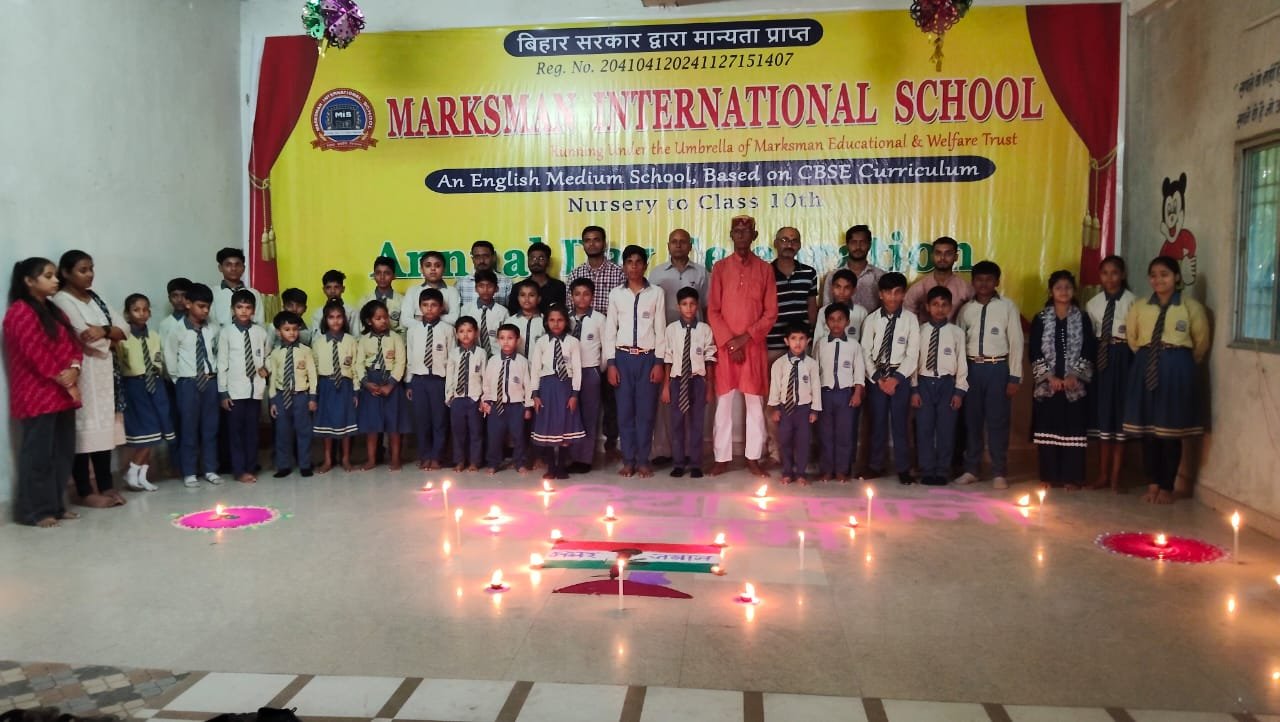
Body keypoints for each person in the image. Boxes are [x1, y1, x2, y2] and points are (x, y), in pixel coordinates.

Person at [1122, 256, 1210, 505]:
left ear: (1177, 277)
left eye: (1164, 274)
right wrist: (1150, 357)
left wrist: (1178, 362)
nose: (1158, 280)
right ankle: (1152, 482)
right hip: (1145, 366)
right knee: (1148, 432)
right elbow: (1133, 339)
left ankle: (1167, 486)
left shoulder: (1190, 307)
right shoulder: (1140, 306)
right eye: (1153, 275)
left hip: (1176, 370)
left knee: (1169, 432)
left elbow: (1201, 343)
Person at [6, 258, 82, 527]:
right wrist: (64, 377)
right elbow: (33, 352)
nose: (55, 280)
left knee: (62, 453)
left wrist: (75, 367)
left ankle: (55, 506)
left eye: (55, 275)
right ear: (29, 281)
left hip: (63, 394)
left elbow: (74, 344)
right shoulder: (19, 312)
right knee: (38, 455)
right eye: (48, 276)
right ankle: (34, 512)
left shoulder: (54, 310)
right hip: (36, 395)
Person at [52, 250, 126, 507]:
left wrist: (104, 330)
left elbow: (124, 328)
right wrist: (110, 338)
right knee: (83, 433)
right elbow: (84, 336)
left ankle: (106, 485)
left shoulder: (96, 298)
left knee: (104, 431)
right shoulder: (61, 300)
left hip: (105, 374)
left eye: (91, 268)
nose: (90, 274)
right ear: (66, 273)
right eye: (83, 270)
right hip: (82, 372)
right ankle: (84, 491)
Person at [707, 215, 778, 477]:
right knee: (723, 404)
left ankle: (753, 458)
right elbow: (713, 310)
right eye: (736, 231)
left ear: (754, 236)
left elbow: (771, 312)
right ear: (731, 235)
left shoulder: (765, 269)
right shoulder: (720, 268)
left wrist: (745, 338)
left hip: (753, 346)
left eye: (746, 232)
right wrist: (730, 342)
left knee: (755, 404)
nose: (741, 236)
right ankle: (721, 458)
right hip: (726, 347)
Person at [955, 261, 1023, 489]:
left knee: (997, 421)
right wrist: (960, 376)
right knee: (972, 421)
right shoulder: (966, 309)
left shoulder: (1007, 307)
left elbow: (1016, 342)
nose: (983, 284)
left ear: (997, 282)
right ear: (973, 282)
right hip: (972, 369)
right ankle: (971, 469)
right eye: (979, 279)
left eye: (989, 279)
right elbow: (958, 343)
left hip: (997, 369)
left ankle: (999, 471)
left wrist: (1014, 377)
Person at [604, 245, 668, 478]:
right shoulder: (616, 294)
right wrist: (611, 364)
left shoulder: (656, 293)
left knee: (646, 413)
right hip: (622, 358)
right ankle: (628, 460)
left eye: (638, 262)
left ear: (645, 265)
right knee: (625, 412)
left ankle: (643, 460)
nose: (634, 266)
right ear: (623, 266)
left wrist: (659, 362)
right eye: (629, 262)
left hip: (647, 358)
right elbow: (610, 331)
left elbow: (660, 329)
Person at [1030, 271, 1095, 489]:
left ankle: (1072, 478)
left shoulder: (1082, 318)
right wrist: (1049, 377)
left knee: (1073, 431)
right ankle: (1049, 477)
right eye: (1059, 287)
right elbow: (1034, 350)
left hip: (1073, 385)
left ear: (1074, 291)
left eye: (1068, 287)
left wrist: (1074, 375)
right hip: (1048, 385)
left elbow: (1089, 348)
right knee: (1048, 430)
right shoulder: (1041, 318)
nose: (1063, 291)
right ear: (1051, 291)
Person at [565, 225, 625, 457]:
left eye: (596, 239)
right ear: (582, 244)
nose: (592, 244)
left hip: (611, 342)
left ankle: (610, 444)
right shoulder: (575, 274)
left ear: (604, 243)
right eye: (587, 240)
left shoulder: (618, 273)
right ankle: (576, 447)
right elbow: (569, 311)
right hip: (582, 346)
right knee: (579, 400)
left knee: (610, 399)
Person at [765, 226, 819, 465]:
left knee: (803, 401)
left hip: (800, 347)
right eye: (784, 240)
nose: (789, 244)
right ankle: (776, 452)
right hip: (772, 346)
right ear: (776, 243)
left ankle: (801, 453)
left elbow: (811, 308)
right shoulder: (765, 272)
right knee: (774, 401)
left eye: (794, 240)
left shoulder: (809, 273)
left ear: (799, 244)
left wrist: (810, 340)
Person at [861, 272, 919, 483]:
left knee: (900, 424)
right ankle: (875, 465)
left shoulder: (911, 320)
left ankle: (903, 468)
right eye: (888, 292)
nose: (892, 297)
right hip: (877, 378)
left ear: (903, 294)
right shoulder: (872, 319)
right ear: (880, 294)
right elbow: (865, 351)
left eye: (897, 292)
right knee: (877, 423)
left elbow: (913, 354)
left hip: (900, 378)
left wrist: (896, 379)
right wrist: (878, 378)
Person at [1085, 255, 1137, 492]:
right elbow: (1091, 336)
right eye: (1105, 273)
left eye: (1114, 273)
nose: (1109, 278)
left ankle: (1116, 476)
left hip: (1124, 357)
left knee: (1120, 417)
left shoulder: (1134, 303)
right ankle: (1102, 474)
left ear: (1123, 275)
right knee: (1104, 416)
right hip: (1102, 360)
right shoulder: (1093, 304)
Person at [164, 282, 222, 488]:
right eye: (201, 306)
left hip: (210, 381)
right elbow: (170, 357)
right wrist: (179, 380)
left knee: (210, 427)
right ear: (188, 304)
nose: (205, 311)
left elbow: (217, 353)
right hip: (187, 383)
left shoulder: (212, 329)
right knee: (189, 428)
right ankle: (189, 471)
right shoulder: (177, 330)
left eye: (208, 307)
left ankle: (210, 469)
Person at [117, 293, 175, 492]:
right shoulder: (122, 338)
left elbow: (159, 361)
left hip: (155, 385)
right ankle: (132, 471)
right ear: (127, 313)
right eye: (136, 310)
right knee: (147, 432)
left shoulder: (154, 336)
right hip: (135, 386)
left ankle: (142, 476)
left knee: (156, 431)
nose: (141, 314)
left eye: (145, 310)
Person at [912, 287, 968, 486]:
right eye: (935, 304)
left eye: (944, 305)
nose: (939, 309)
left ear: (950, 307)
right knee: (924, 428)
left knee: (946, 429)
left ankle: (943, 470)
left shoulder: (957, 333)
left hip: (947, 384)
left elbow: (962, 362)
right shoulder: (919, 331)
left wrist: (959, 391)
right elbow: (913, 361)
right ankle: (927, 470)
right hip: (924, 383)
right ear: (927, 307)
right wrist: (914, 389)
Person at [662, 286, 716, 478]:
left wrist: (709, 386)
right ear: (678, 306)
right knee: (676, 424)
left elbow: (710, 358)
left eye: (692, 304)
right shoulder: (671, 330)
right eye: (684, 304)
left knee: (697, 424)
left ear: (697, 306)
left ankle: (695, 464)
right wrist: (666, 386)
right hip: (677, 382)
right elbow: (668, 358)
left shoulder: (705, 330)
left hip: (697, 381)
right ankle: (678, 463)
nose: (689, 308)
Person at [217, 289, 269, 483]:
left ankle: (251, 467)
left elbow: (267, 355)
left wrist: (266, 368)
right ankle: (239, 470)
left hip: (254, 389)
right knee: (235, 433)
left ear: (253, 310)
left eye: (248, 307)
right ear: (233, 309)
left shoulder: (260, 332)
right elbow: (222, 364)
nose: (244, 311)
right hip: (234, 391)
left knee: (252, 431)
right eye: (239, 307)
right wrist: (223, 392)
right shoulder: (226, 333)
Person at [530, 305, 586, 479]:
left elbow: (577, 370)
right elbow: (535, 369)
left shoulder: (573, 342)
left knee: (565, 426)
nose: (556, 324)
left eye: (560, 320)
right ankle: (551, 467)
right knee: (548, 427)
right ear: (546, 322)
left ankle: (561, 466)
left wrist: (574, 395)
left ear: (566, 322)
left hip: (565, 388)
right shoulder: (541, 342)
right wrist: (535, 394)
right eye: (552, 320)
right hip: (547, 388)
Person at [815, 303, 865, 482]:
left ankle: (842, 469)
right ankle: (827, 469)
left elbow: (859, 372)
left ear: (847, 322)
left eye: (840, 319)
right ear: (826, 322)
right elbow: (815, 370)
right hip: (825, 394)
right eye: (832, 319)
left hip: (845, 395)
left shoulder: (854, 345)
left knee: (844, 434)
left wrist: (857, 393)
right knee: (825, 433)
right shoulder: (821, 344)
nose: (836, 323)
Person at [355, 300, 406, 471]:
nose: (383, 321)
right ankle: (371, 459)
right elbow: (358, 363)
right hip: (371, 382)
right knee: (372, 425)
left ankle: (395, 458)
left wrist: (390, 384)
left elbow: (400, 362)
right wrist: (366, 383)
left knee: (394, 425)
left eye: (385, 317)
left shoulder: (395, 338)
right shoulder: (363, 340)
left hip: (392, 383)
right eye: (378, 318)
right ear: (369, 321)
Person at [768, 322, 822, 485]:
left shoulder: (812, 364)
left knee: (803, 442)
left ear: (808, 341)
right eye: (793, 338)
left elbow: (816, 388)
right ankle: (787, 471)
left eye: (801, 338)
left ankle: (801, 473)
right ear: (786, 341)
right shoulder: (779, 364)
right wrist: (775, 408)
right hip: (786, 409)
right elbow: (775, 387)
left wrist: (814, 410)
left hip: (804, 410)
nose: (797, 343)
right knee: (785, 440)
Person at [405, 288, 453, 470]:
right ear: (420, 307)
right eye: (425, 305)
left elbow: (452, 359)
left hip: (439, 381)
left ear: (441, 308)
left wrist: (450, 385)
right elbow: (410, 357)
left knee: (439, 420)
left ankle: (437, 456)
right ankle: (425, 455)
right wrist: (409, 383)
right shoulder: (413, 331)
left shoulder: (448, 330)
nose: (429, 309)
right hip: (419, 380)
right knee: (422, 421)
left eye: (434, 305)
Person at [267, 311, 317, 478]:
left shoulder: (306, 351)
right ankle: (283, 465)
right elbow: (273, 378)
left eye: (295, 329)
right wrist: (273, 401)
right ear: (278, 332)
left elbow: (312, 375)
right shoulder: (275, 353)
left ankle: (305, 464)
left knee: (304, 432)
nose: (292, 333)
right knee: (282, 433)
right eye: (287, 329)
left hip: (301, 396)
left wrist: (312, 397)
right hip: (282, 396)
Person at [312, 299, 359, 473]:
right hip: (326, 386)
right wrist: (314, 394)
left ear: (344, 319)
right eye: (331, 317)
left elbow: (356, 367)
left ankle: (346, 459)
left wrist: (356, 391)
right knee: (327, 424)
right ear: (325, 320)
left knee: (346, 424)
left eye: (339, 317)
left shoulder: (351, 341)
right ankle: (328, 460)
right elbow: (314, 370)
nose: (336, 321)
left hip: (345, 386)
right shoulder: (318, 343)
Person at [483, 324, 534, 474]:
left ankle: (520, 462)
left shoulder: (522, 362)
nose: (506, 342)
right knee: (494, 436)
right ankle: (493, 463)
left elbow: (528, 385)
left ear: (517, 340)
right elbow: (487, 383)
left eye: (510, 338)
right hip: (496, 405)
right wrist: (486, 400)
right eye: (502, 338)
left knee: (519, 436)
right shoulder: (493, 361)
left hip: (516, 406)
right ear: (498, 340)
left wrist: (528, 406)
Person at [568, 278, 605, 473]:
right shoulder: (565, 319)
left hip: (590, 371)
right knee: (571, 414)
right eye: (577, 294)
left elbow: (606, 348)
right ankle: (571, 456)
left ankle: (585, 459)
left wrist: (599, 370)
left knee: (589, 415)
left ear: (593, 296)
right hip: (569, 373)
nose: (581, 298)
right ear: (571, 296)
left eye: (586, 294)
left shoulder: (599, 319)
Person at [446, 316, 487, 471]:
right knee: (458, 432)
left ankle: (475, 461)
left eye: (469, 331)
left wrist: (484, 398)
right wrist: (449, 396)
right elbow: (450, 376)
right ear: (456, 334)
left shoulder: (481, 353)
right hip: (458, 398)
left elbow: (485, 376)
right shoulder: (453, 353)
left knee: (476, 432)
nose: (465, 334)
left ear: (476, 333)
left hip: (475, 398)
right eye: (461, 331)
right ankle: (459, 460)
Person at [903, 236, 974, 322]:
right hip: (925, 330)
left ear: (956, 257)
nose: (942, 258)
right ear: (932, 256)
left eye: (948, 254)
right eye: (938, 253)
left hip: (955, 330)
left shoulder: (965, 288)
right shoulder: (919, 287)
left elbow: (975, 313)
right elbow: (907, 315)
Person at [649, 229, 709, 324]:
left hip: (695, 330)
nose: (678, 245)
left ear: (690, 246)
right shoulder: (656, 273)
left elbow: (707, 307)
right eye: (674, 242)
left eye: (683, 242)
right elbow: (649, 306)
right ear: (668, 246)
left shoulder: (701, 273)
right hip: (664, 330)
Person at [822, 224, 885, 312]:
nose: (858, 247)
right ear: (847, 245)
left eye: (862, 242)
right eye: (853, 242)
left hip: (872, 321)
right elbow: (826, 309)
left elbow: (885, 309)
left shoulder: (880, 276)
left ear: (869, 245)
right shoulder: (833, 276)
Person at [403, 250, 461, 326]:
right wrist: (442, 317)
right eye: (428, 265)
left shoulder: (452, 291)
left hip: (444, 333)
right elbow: (405, 320)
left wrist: (423, 318)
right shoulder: (412, 291)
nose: (433, 268)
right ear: (421, 270)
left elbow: (454, 319)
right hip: (418, 333)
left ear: (444, 269)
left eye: (437, 265)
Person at [508, 241, 565, 314]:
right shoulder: (518, 287)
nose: (536, 262)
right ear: (528, 261)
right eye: (532, 258)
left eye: (541, 258)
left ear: (548, 262)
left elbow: (562, 314)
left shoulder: (559, 287)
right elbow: (513, 314)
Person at [460, 269, 508, 356]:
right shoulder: (466, 310)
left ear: (496, 289)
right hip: (473, 356)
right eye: (481, 286)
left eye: (490, 286)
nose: (485, 290)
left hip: (497, 356)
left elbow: (507, 337)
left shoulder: (503, 312)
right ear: (476, 288)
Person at [212, 247, 263, 327]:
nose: (233, 268)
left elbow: (259, 323)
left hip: (248, 334)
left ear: (243, 268)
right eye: (228, 265)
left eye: (237, 265)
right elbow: (210, 324)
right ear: (220, 268)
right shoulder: (213, 293)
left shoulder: (254, 293)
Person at [815, 269, 869, 343]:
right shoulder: (823, 311)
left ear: (853, 290)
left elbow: (865, 341)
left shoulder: (861, 312)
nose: (841, 292)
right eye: (838, 287)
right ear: (832, 288)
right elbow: (817, 339)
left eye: (847, 288)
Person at [357, 256, 406, 335]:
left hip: (394, 341)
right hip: (370, 341)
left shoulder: (402, 301)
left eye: (387, 273)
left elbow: (403, 331)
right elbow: (361, 328)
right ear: (374, 275)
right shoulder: (364, 300)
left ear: (394, 276)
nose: (382, 277)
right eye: (378, 273)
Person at [456, 240, 512, 307]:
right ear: (472, 259)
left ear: (493, 257)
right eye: (477, 256)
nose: (481, 261)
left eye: (486, 256)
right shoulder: (461, 283)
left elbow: (510, 310)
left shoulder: (506, 282)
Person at [311, 269, 358, 334]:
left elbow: (356, 335)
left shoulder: (351, 312)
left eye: (336, 287)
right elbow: (316, 338)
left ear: (343, 289)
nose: (332, 291)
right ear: (324, 290)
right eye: (328, 287)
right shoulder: (317, 314)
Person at [510, 280, 546, 356]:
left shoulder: (546, 321)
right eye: (522, 295)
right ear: (518, 298)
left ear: (539, 299)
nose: (526, 298)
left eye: (531, 295)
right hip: (516, 363)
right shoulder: (510, 321)